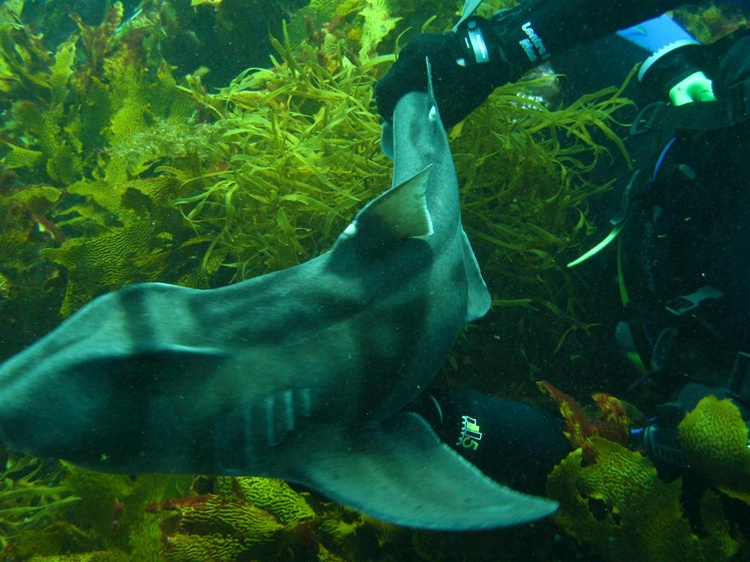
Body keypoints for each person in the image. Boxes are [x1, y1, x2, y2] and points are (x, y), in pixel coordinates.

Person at [379, 0, 750, 493]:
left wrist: (455, 425)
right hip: (649, 162)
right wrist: (500, 47)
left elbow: (630, 458)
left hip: (638, 358)